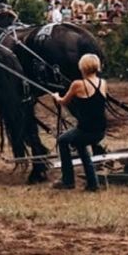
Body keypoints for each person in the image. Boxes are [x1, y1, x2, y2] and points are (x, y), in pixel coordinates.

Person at [51, 54, 110, 191]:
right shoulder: (103, 83)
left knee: (62, 140)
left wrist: (55, 96)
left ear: (82, 67)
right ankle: (93, 184)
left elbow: (63, 102)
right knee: (80, 145)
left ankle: (68, 180)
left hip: (85, 130)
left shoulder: (78, 84)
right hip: (100, 130)